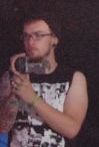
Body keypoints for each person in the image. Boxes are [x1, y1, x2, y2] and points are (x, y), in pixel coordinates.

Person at [0, 11, 88, 146]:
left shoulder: (73, 78)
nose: (30, 42)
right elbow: (3, 127)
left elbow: (72, 129)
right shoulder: (13, 75)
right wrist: (14, 92)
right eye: (26, 36)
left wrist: (32, 98)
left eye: (38, 35)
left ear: (54, 39)